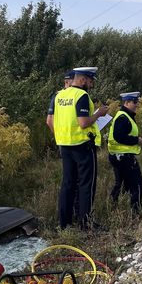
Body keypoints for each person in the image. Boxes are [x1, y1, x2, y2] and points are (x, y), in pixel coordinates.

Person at [46, 67, 109, 229]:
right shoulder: (81, 95)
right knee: (86, 185)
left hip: (64, 146)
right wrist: (99, 114)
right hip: (82, 146)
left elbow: (51, 120)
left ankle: (64, 223)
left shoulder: (60, 96)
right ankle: (85, 223)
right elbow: (83, 123)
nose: (92, 84)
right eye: (90, 81)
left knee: (68, 184)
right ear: (82, 80)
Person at [107, 91, 142, 215]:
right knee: (137, 184)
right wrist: (136, 140)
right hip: (124, 157)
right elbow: (118, 136)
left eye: (137, 102)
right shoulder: (123, 117)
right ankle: (136, 213)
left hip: (118, 156)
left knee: (121, 183)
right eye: (135, 102)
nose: (137, 105)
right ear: (127, 102)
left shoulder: (124, 115)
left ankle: (112, 207)